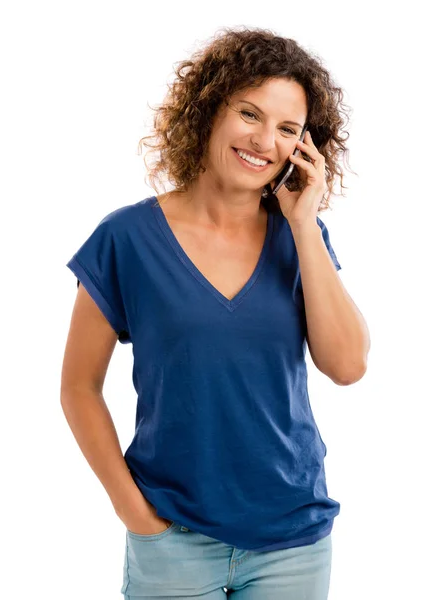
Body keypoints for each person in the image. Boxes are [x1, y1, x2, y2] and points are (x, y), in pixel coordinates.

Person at [61, 26, 370, 600]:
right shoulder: (125, 238)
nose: (264, 140)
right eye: (249, 114)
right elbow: (79, 387)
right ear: (209, 108)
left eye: (287, 129)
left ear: (305, 147)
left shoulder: (301, 238)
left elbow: (348, 365)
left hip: (293, 544)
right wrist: (136, 514)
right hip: (173, 540)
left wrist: (303, 224)